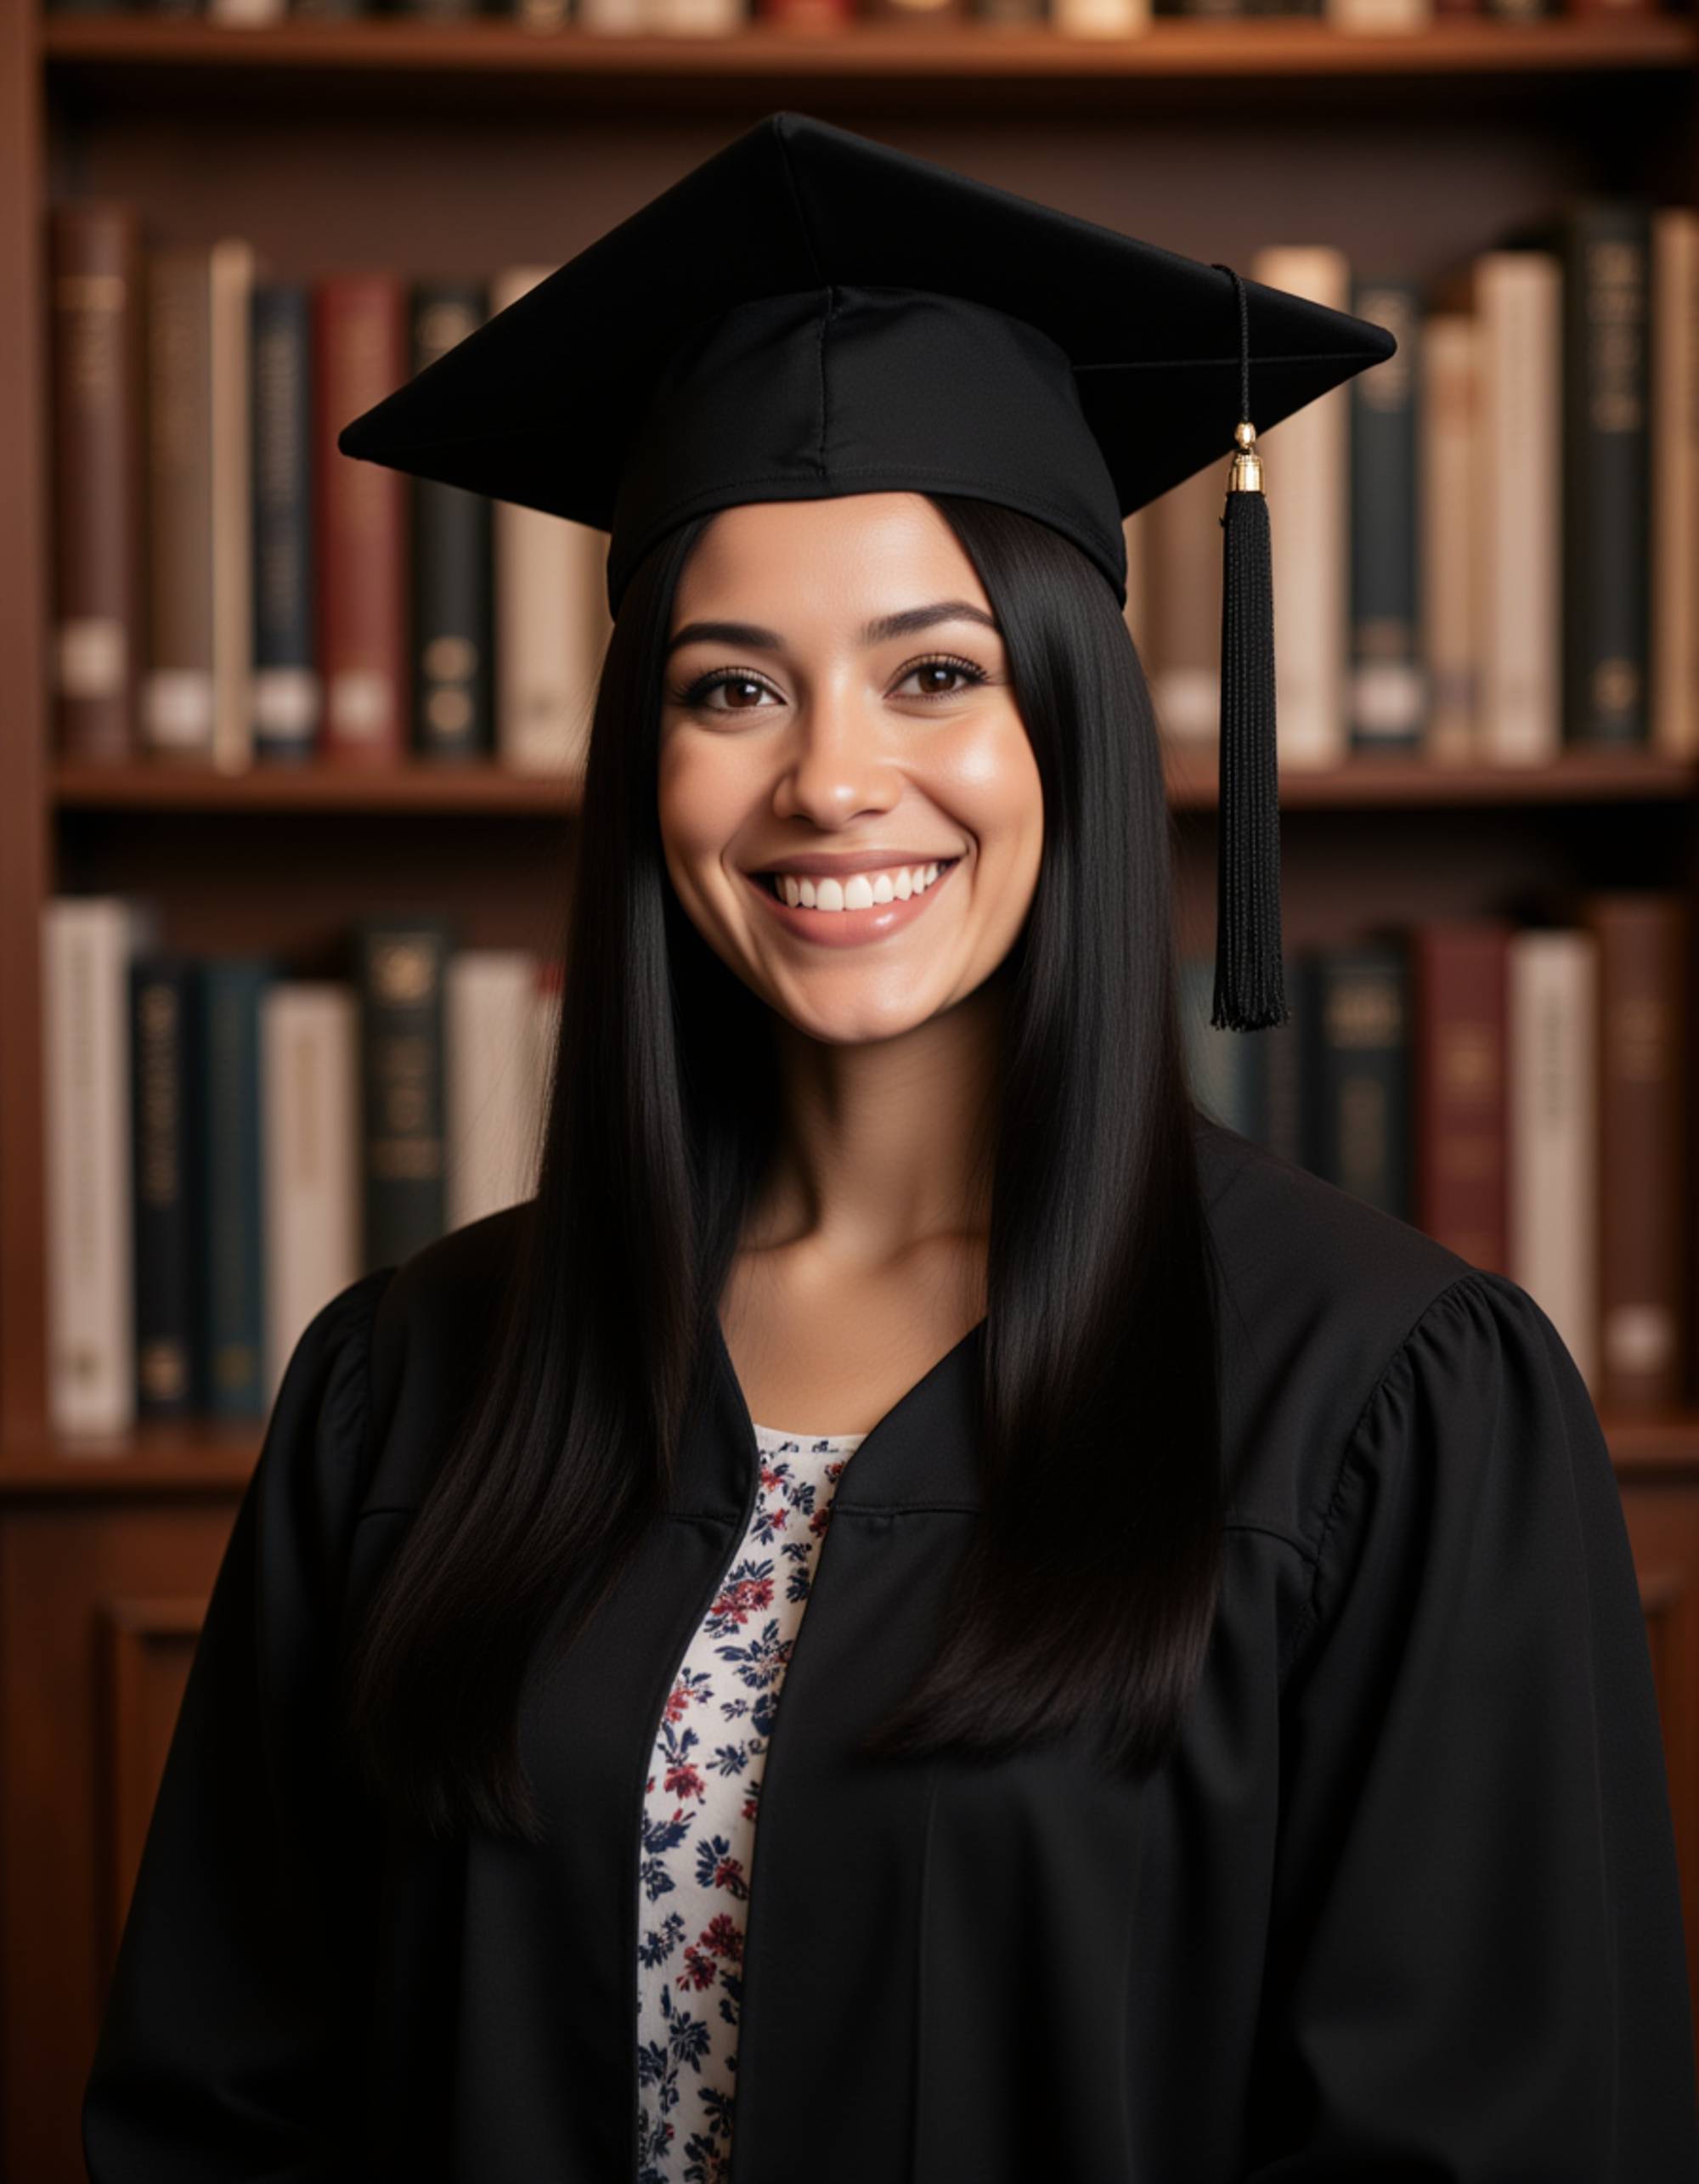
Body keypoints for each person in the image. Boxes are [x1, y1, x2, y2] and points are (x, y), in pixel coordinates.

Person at [82, 112, 1698, 2184]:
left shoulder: (1382, 1403)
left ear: (1070, 717)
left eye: (933, 673)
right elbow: (223, 2110)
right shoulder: (419, 1378)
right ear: (641, 769)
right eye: (730, 685)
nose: (833, 779)